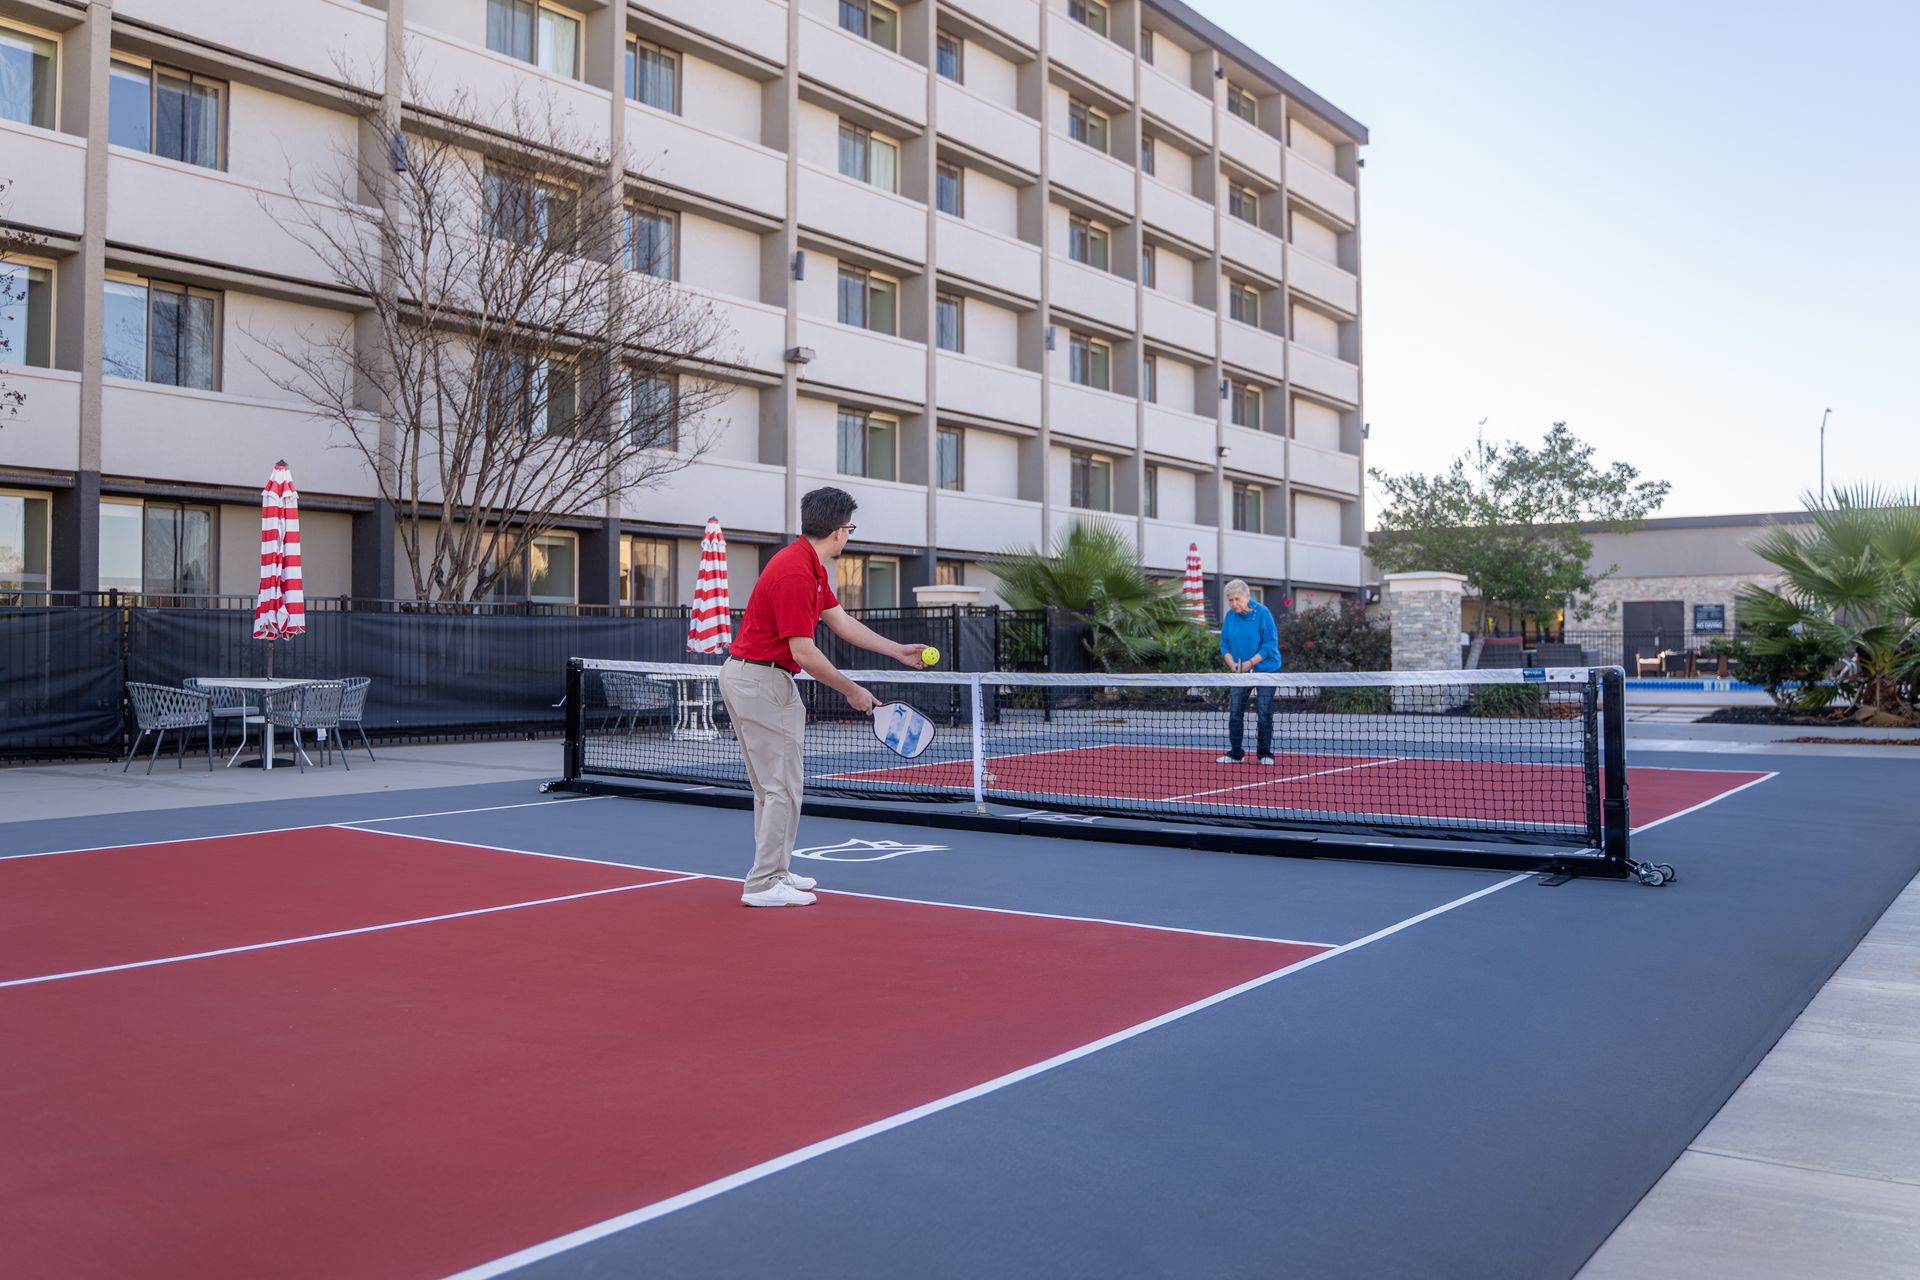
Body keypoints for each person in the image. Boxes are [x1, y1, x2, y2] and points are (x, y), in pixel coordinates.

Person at [721, 486, 928, 907]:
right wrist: (852, 691)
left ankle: (775, 870)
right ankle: (762, 884)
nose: (849, 536)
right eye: (850, 529)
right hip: (761, 682)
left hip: (765, 680)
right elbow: (804, 651)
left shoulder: (810, 567)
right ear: (837, 531)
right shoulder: (796, 572)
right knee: (780, 788)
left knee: (774, 787)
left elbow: (841, 622)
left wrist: (896, 651)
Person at [1216, 579, 1281, 766]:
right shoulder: (1230, 616)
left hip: (1266, 669)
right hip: (1240, 672)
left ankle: (1264, 754)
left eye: (1237, 599)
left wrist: (1251, 663)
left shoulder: (1263, 613)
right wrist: (1232, 664)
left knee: (1264, 711)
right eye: (1230, 600)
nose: (1234, 603)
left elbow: (1270, 644)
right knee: (1235, 711)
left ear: (1247, 596)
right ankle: (1236, 754)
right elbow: (1224, 644)